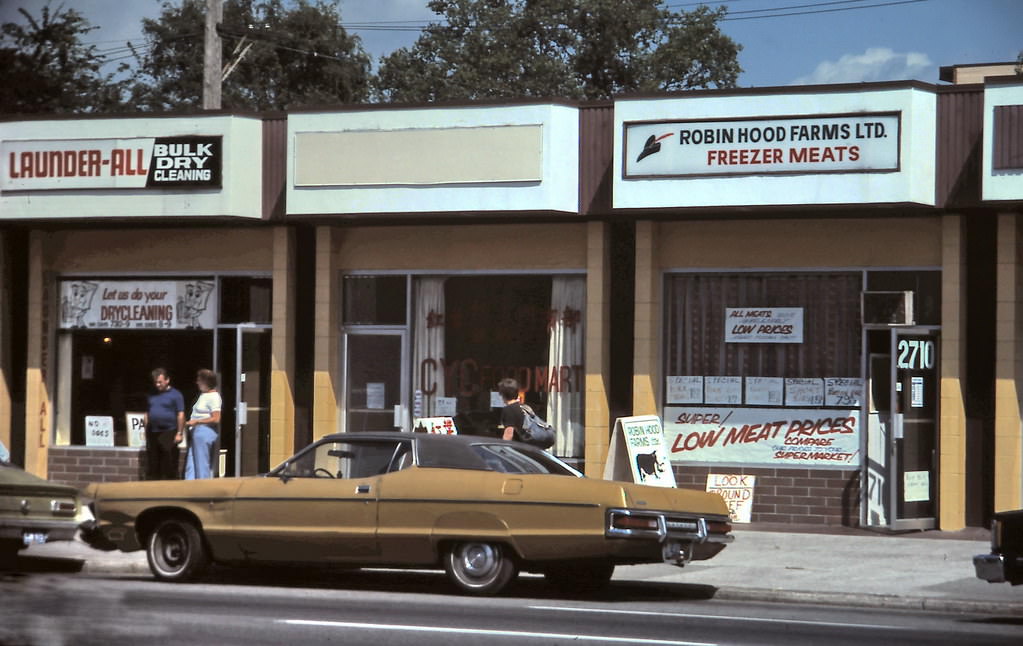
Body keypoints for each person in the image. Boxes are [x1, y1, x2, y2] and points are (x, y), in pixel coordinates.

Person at [145, 367, 185, 480]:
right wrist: (146, 427)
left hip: (168, 431)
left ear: (167, 380)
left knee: (168, 462)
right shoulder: (152, 394)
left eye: (160, 382)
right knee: (153, 461)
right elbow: (148, 412)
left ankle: (169, 485)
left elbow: (180, 414)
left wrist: (179, 433)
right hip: (153, 431)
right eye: (155, 382)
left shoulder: (176, 395)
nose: (157, 385)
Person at [184, 368, 221, 480]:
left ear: (206, 382)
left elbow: (216, 418)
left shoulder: (214, 397)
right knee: (191, 465)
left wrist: (197, 421)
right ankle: (189, 488)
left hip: (204, 431)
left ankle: (203, 490)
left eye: (199, 380)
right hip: (196, 432)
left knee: (201, 464)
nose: (197, 382)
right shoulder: (203, 395)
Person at [498, 377, 526, 442]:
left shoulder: (509, 410)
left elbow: (508, 434)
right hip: (526, 447)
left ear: (503, 394)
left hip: (517, 448)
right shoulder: (523, 407)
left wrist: (503, 450)